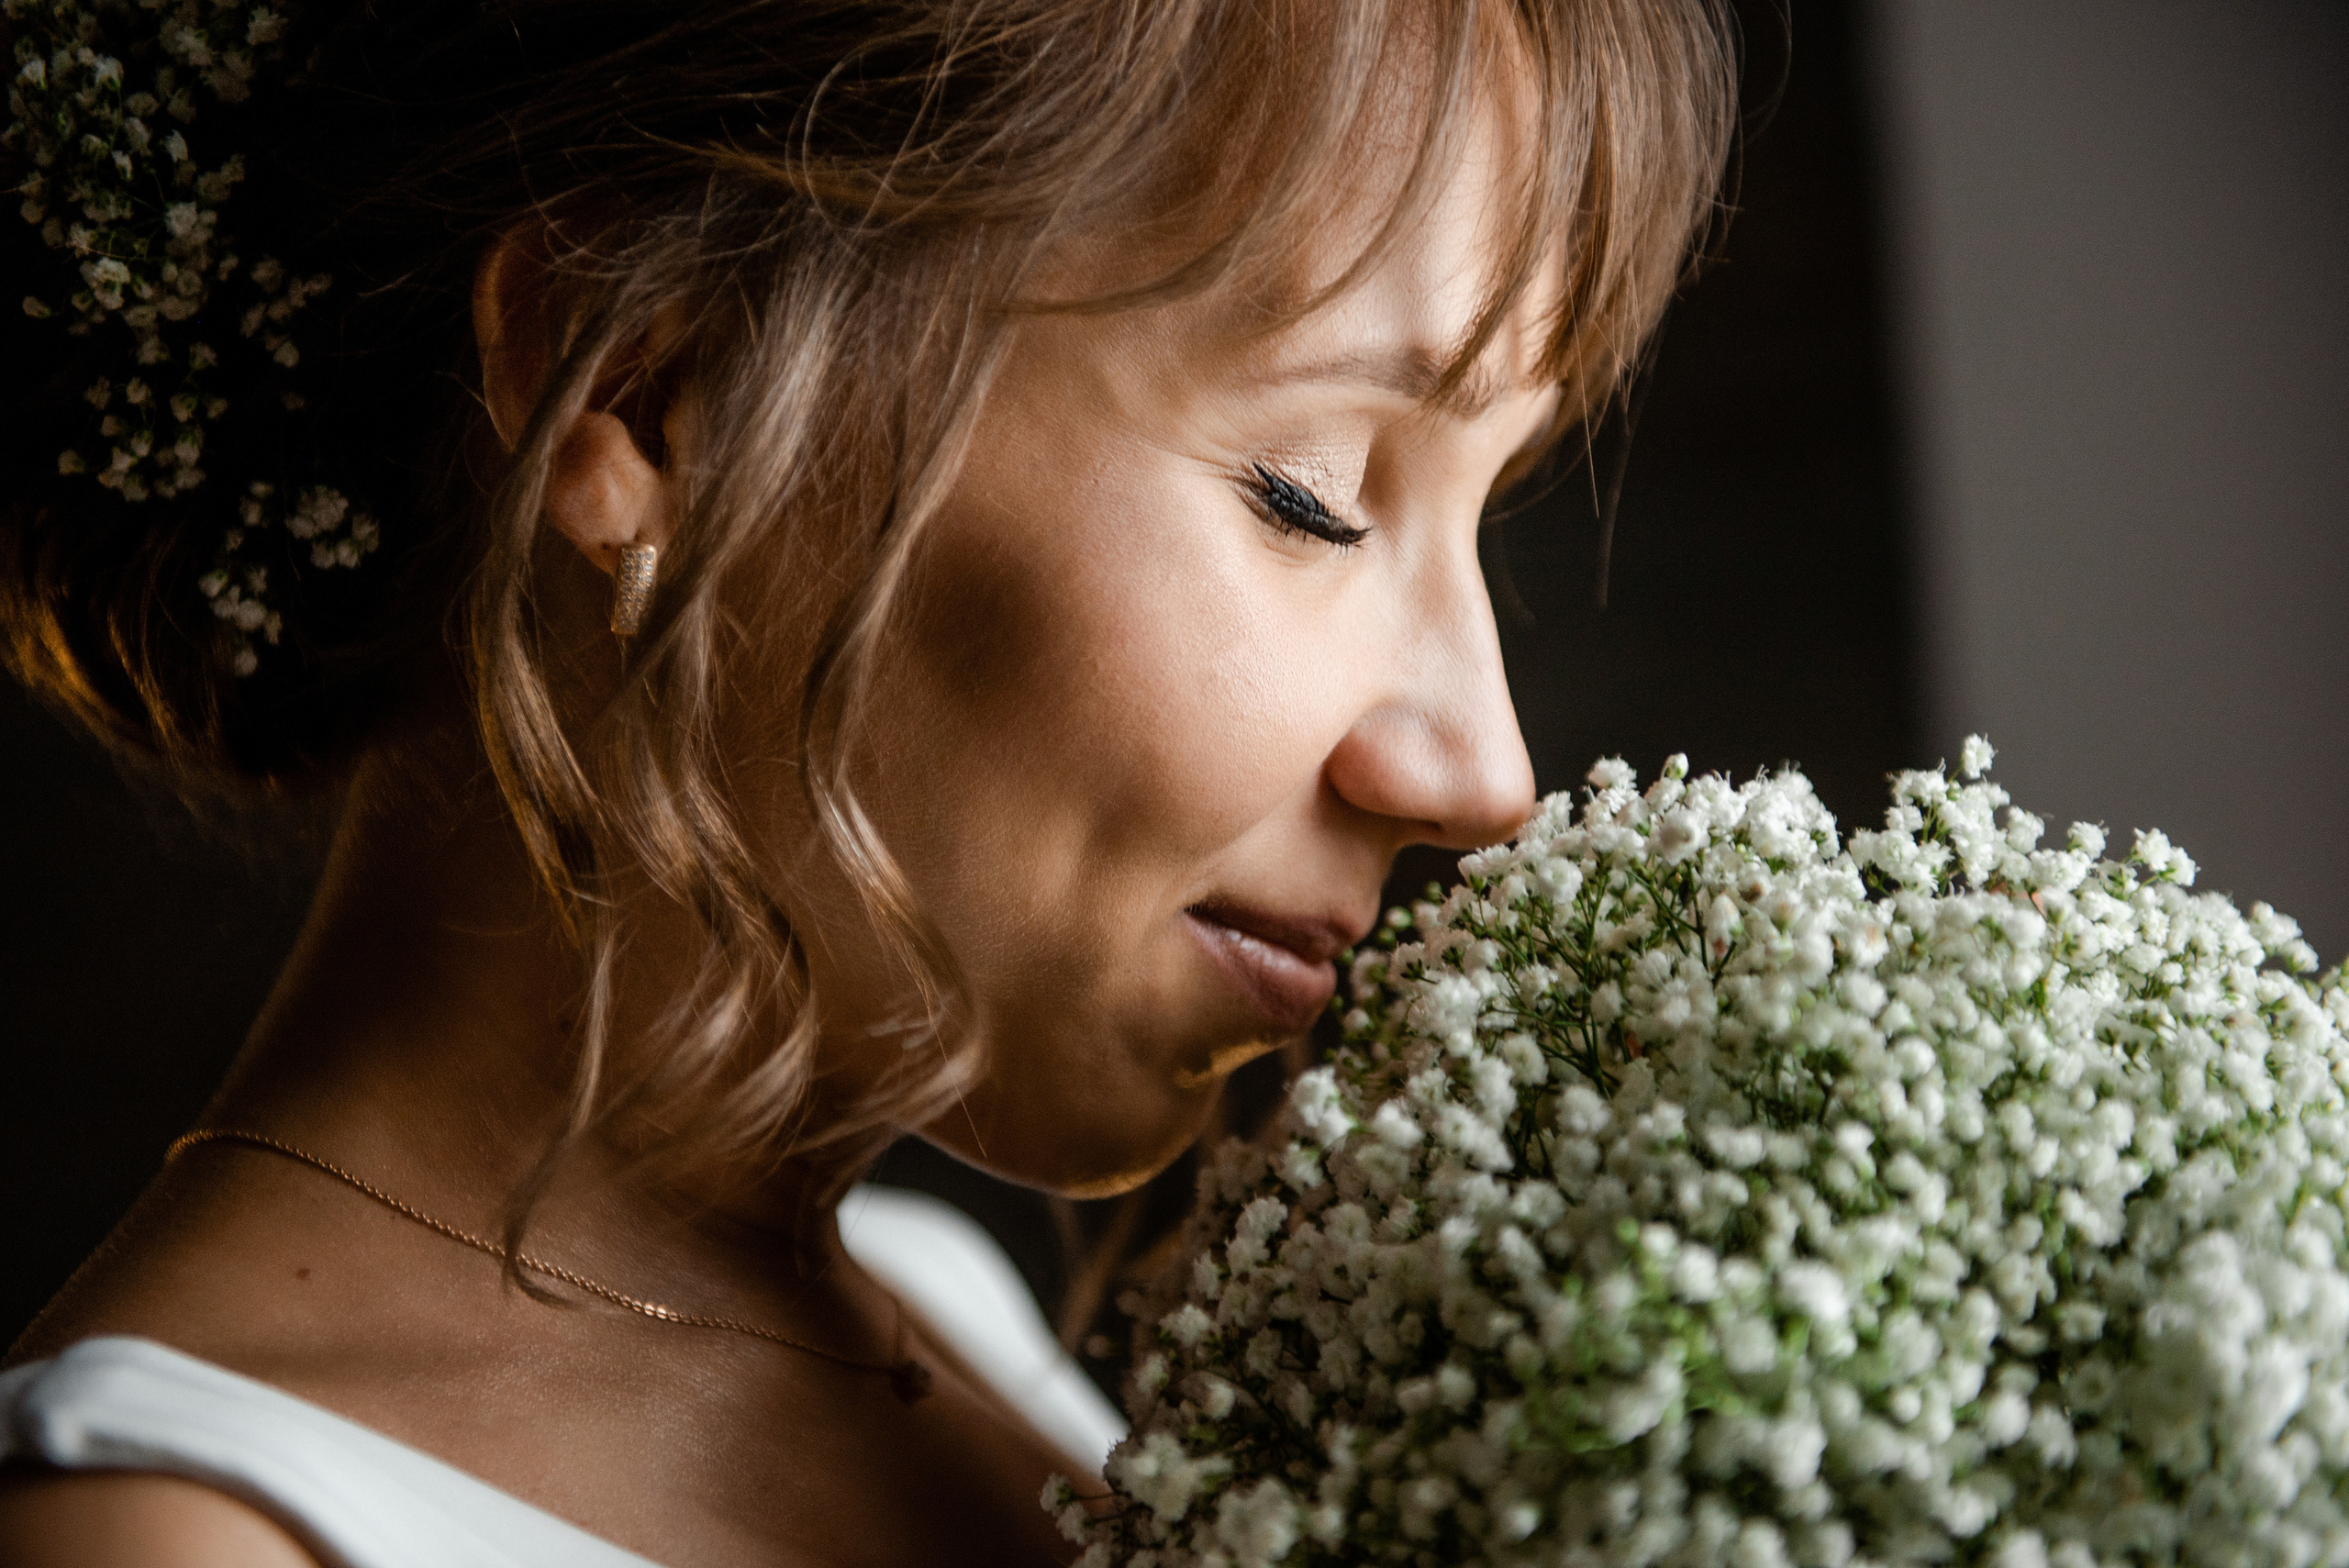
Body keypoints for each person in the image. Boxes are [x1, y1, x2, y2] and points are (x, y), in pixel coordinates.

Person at [0, 0, 1734, 1562]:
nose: (1486, 771)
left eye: (1484, 514)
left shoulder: (951, 1315)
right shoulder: (186, 1536)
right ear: (654, 390)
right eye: (1312, 490)